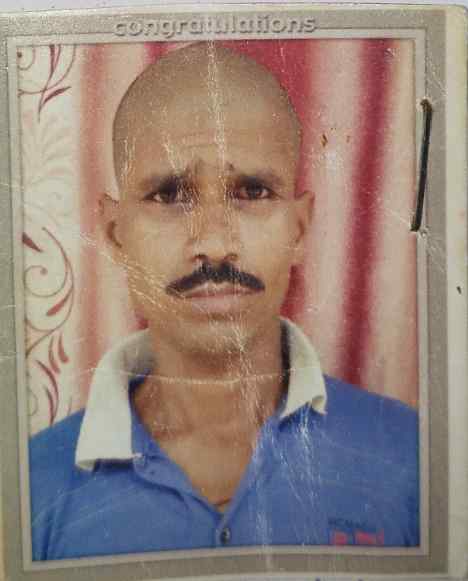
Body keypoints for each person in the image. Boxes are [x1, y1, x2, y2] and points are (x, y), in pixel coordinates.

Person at [29, 42, 419, 561]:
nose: (214, 243)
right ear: (116, 235)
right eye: (169, 194)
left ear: (299, 230)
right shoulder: (29, 486)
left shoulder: (414, 458)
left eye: (253, 192)